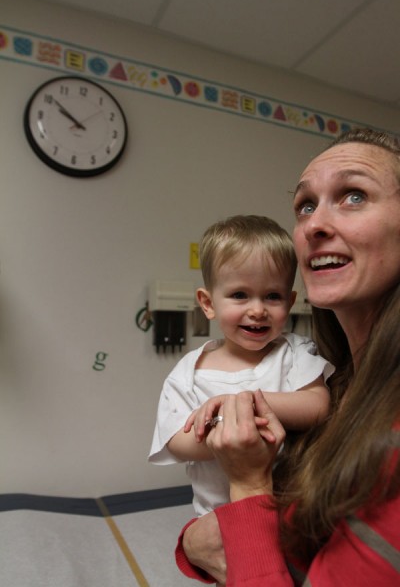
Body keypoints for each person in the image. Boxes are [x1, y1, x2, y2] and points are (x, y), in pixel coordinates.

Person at [175, 128, 400, 585]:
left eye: (354, 196)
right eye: (305, 205)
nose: (314, 225)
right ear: (208, 302)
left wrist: (246, 485)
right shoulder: (339, 386)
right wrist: (195, 544)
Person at [149, 215, 333, 516]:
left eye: (273, 296)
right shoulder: (190, 371)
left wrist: (248, 403)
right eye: (240, 295)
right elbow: (175, 440)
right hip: (217, 517)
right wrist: (231, 437)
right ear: (208, 304)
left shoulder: (295, 353)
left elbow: (317, 406)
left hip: (292, 511)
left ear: (289, 302)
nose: (258, 310)